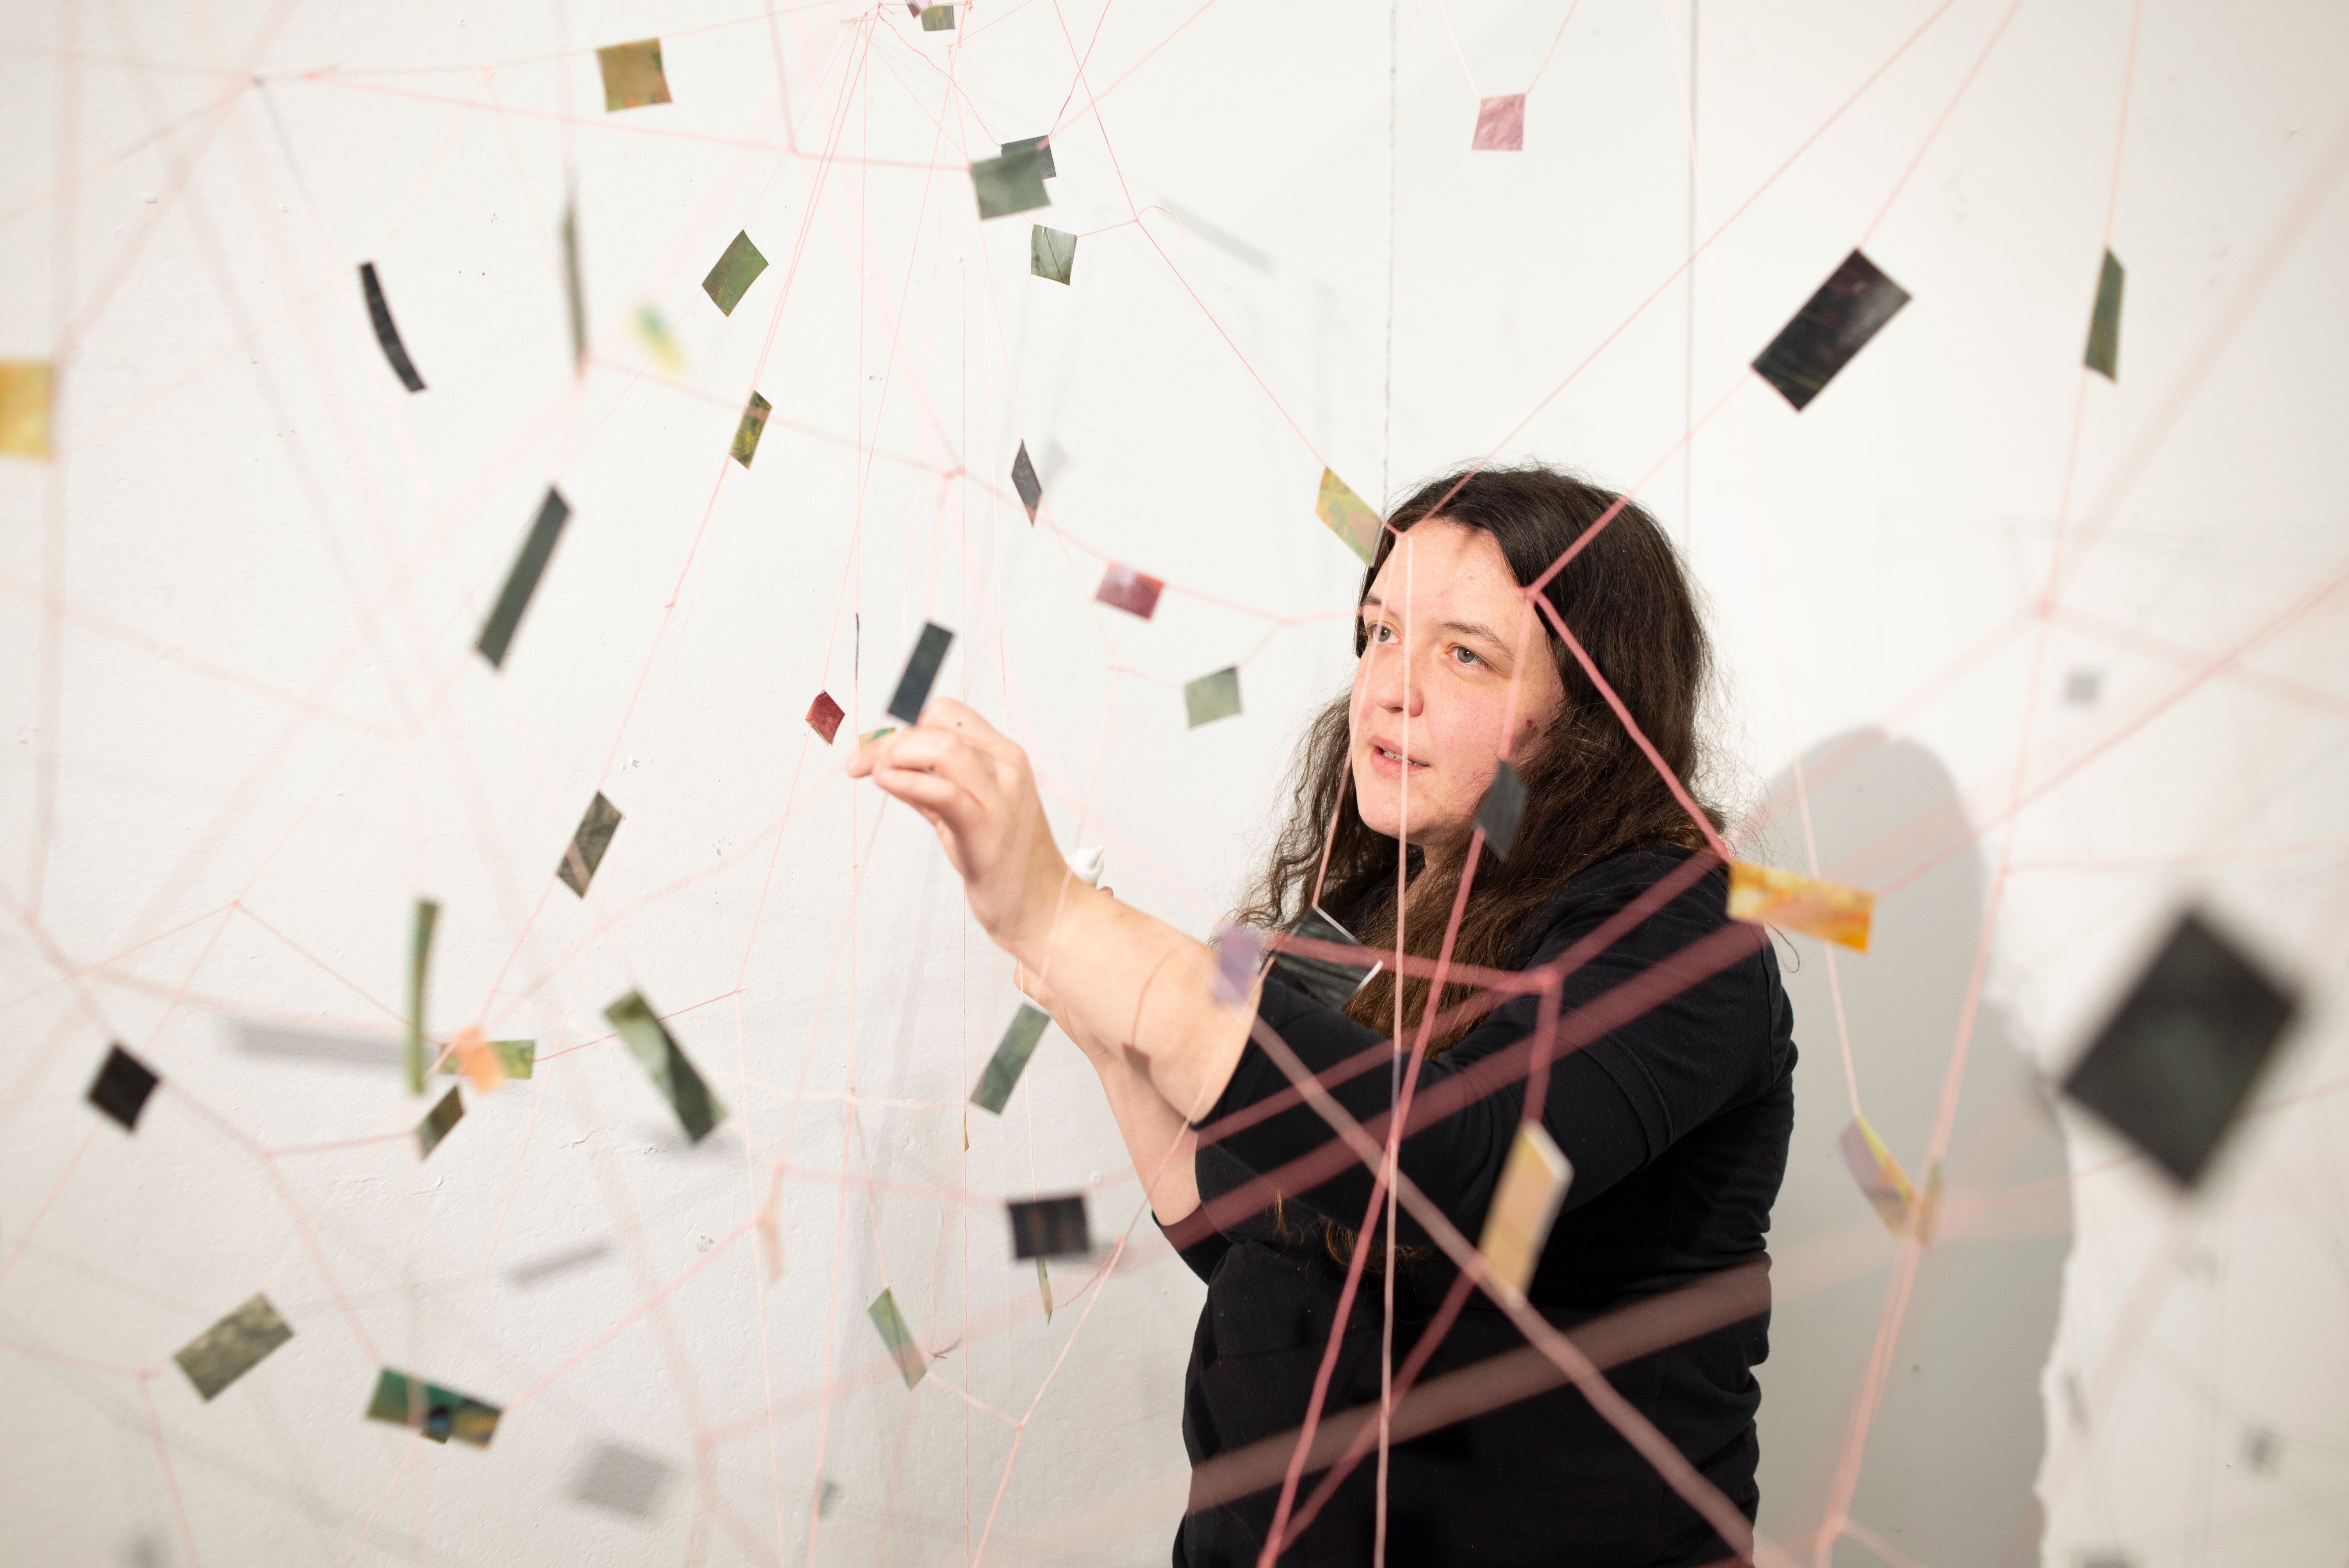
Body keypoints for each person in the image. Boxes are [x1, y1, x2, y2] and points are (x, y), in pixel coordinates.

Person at [848, 463, 1796, 1566]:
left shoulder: (1689, 933)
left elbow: (1450, 1165)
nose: (1391, 688)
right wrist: (1107, 1024)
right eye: (1381, 632)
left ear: (1594, 710)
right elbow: (1254, 1238)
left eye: (1463, 652)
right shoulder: (1361, 908)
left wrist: (1068, 920)